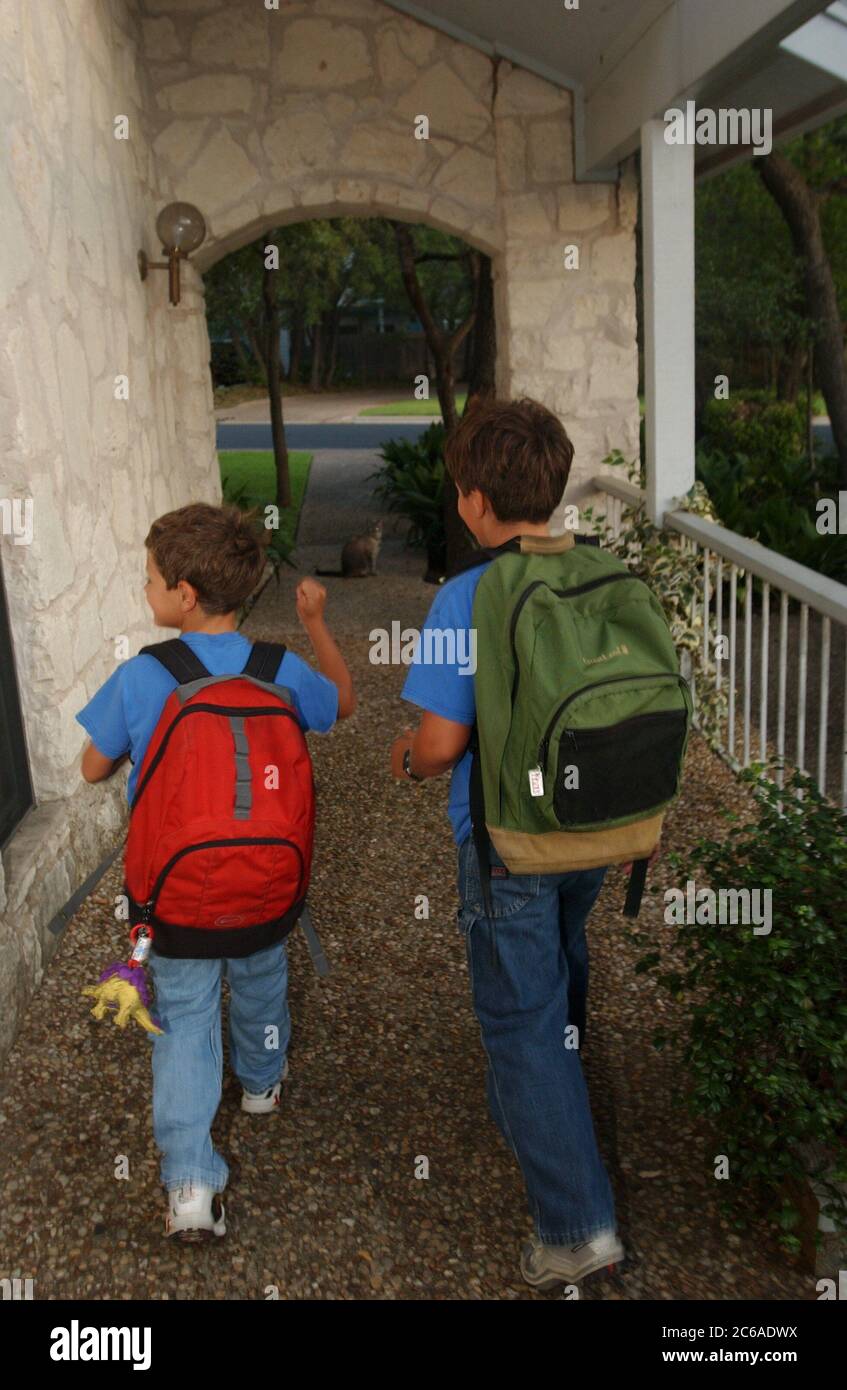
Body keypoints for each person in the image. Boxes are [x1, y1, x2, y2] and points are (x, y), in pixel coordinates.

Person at [390, 398, 625, 1291]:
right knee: (558, 968)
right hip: (592, 828)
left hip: (508, 838)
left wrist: (407, 760)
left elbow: (442, 743)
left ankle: (576, 1229)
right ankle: (537, 1110)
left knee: (520, 1018)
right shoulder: (602, 574)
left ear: (473, 501)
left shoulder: (468, 595)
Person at [76, 502, 354, 1239]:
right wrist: (317, 624)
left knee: (186, 1020)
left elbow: (92, 765)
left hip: (175, 899)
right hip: (267, 886)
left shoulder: (145, 675)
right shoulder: (279, 667)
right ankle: (261, 1084)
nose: (146, 592)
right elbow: (342, 704)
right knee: (262, 977)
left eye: (149, 581)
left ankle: (191, 1187)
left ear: (185, 594)